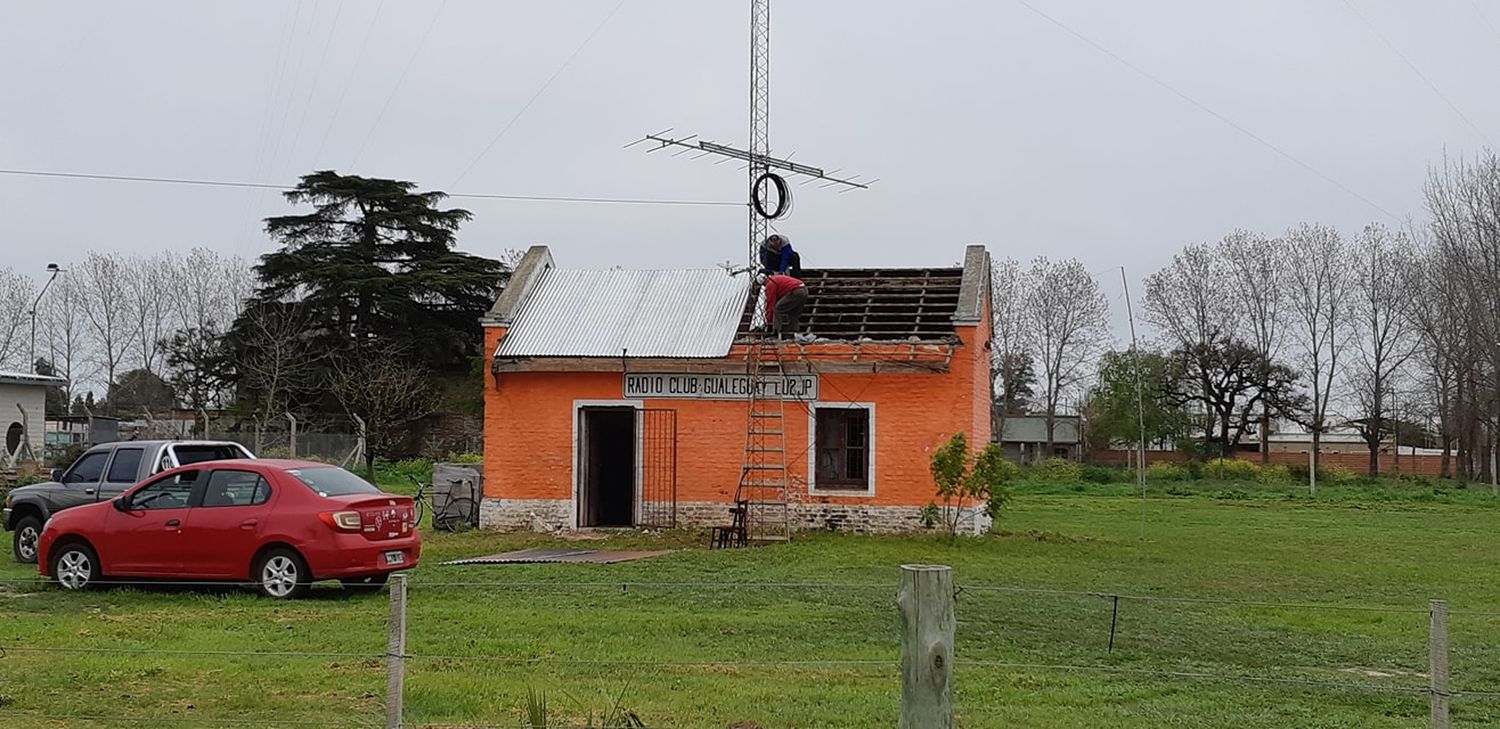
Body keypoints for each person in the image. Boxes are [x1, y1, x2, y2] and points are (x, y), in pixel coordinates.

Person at [757, 271, 813, 343]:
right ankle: (795, 333)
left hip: (795, 291)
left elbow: (771, 304)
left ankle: (776, 333)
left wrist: (768, 319)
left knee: (777, 309)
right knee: (793, 313)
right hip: (804, 290)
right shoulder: (775, 279)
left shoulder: (770, 284)